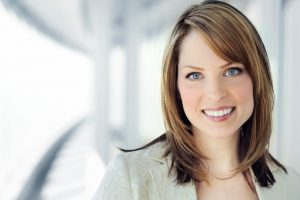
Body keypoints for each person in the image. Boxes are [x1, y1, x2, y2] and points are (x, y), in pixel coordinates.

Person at [94, 1, 300, 199]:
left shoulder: (291, 186)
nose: (216, 93)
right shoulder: (131, 178)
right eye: (195, 75)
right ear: (175, 88)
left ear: (257, 78)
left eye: (232, 71)